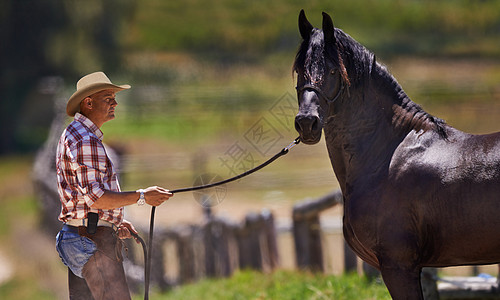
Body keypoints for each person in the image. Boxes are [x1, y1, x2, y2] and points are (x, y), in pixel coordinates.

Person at [55, 71, 173, 299]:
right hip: (92, 241)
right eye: (108, 98)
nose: (115, 103)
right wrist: (142, 196)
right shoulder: (86, 140)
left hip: (79, 235)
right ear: (88, 102)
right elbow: (96, 197)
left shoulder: (73, 133)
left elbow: (86, 198)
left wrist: (111, 221)